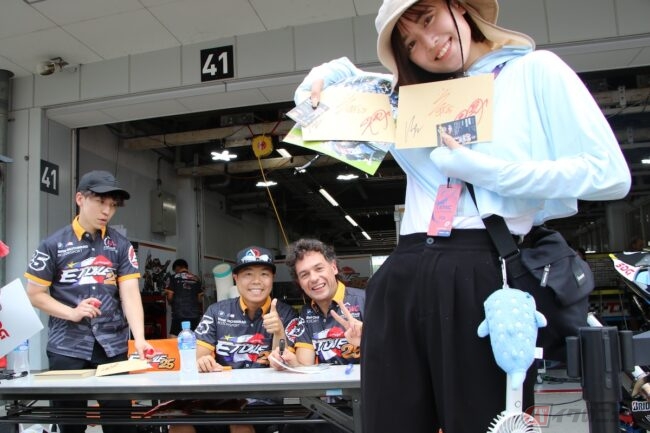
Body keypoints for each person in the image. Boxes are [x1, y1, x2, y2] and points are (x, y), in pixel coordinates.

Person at [293, 1, 632, 432]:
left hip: (481, 266)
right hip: (402, 272)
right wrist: (330, 75)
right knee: (389, 421)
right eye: (410, 44)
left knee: (482, 420)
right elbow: (326, 102)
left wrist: (492, 173)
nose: (429, 44)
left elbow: (610, 175)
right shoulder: (418, 97)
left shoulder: (533, 71)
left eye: (429, 19)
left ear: (458, 6)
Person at [24, 170, 154, 433]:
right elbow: (35, 294)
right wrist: (72, 313)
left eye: (112, 205)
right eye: (100, 202)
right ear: (80, 199)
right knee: (70, 426)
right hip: (66, 347)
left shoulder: (121, 245)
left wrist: (139, 339)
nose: (107, 211)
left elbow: (130, 294)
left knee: (120, 426)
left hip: (113, 347)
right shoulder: (53, 244)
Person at [170, 245, 297, 433]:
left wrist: (279, 331)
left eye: (264, 274)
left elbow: (285, 364)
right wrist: (203, 361)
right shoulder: (216, 311)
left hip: (262, 400)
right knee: (179, 423)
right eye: (248, 274)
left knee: (240, 422)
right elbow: (198, 356)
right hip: (218, 397)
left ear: (273, 278)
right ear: (235, 279)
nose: (256, 281)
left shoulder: (286, 314)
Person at [271, 238, 364, 368]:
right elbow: (305, 366)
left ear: (334, 267)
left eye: (319, 268)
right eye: (304, 275)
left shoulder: (366, 301)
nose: (314, 278)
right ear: (299, 283)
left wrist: (368, 337)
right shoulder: (306, 312)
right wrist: (289, 361)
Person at [164, 258, 204, 336]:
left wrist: (170, 302)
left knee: (174, 336)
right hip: (194, 314)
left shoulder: (173, 277)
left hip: (179, 313)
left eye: (175, 270)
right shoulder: (196, 279)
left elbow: (170, 296)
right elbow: (200, 299)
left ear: (177, 267)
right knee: (193, 336)